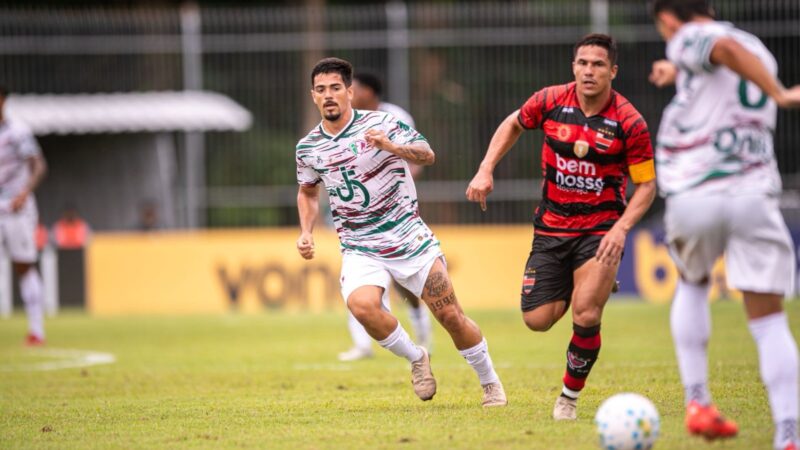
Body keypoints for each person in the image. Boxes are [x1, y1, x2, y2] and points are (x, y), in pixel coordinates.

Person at [466, 34, 657, 419]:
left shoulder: (628, 121)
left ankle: (568, 398)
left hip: (601, 230)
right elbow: (512, 123)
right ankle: (586, 280)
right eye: (583, 63)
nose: (589, 70)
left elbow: (647, 186)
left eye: (598, 64)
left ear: (612, 71)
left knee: (586, 313)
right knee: (536, 321)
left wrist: (621, 228)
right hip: (552, 229)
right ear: (573, 67)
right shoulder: (551, 101)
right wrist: (486, 169)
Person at [296, 57, 506, 406]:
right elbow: (307, 191)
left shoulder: (384, 123)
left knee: (450, 315)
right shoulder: (308, 147)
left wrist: (391, 147)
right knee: (362, 307)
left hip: (409, 237)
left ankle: (490, 381)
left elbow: (427, 155)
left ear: (350, 91)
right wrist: (307, 231)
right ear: (313, 96)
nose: (329, 95)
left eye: (335, 88)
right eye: (321, 90)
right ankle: (416, 358)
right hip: (360, 245)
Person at [649, 1, 800, 447]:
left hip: (698, 188)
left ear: (670, 18)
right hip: (753, 193)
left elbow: (723, 48)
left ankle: (697, 400)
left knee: (692, 282)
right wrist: (677, 73)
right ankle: (789, 433)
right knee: (770, 320)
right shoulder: (760, 49)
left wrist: (780, 94)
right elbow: (726, 68)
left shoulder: (696, 37)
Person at [335, 71, 432, 362]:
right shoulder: (344, 121)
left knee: (403, 280)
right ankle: (362, 344)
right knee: (358, 278)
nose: (350, 93)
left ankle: (420, 323)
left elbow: (415, 155)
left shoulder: (394, 117)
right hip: (359, 216)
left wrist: (396, 188)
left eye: (356, 88)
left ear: (370, 92)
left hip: (395, 211)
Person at [0, 84, 48, 346]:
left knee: (24, 266)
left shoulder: (17, 132)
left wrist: (24, 192)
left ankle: (36, 330)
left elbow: (38, 165)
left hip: (16, 209)